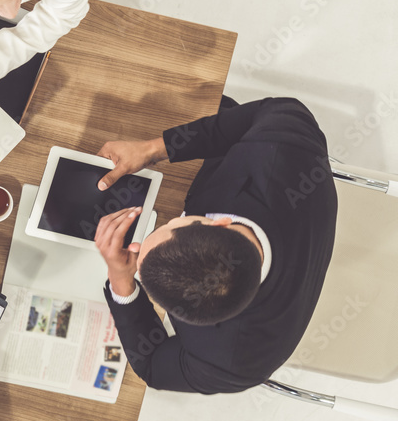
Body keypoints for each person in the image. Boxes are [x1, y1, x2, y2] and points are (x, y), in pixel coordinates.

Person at [92, 97, 338, 393]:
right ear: (220, 223)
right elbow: (272, 111)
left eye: (169, 223)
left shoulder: (232, 363)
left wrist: (121, 279)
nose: (169, 219)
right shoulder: (284, 146)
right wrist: (152, 150)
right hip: (250, 165)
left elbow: (154, 366)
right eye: (170, 225)